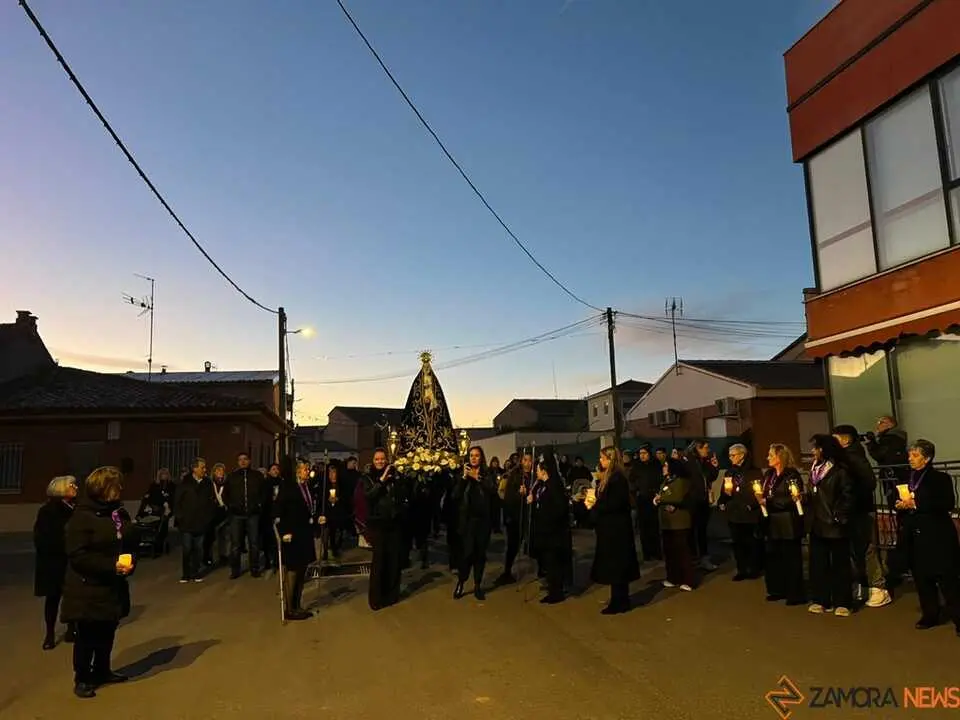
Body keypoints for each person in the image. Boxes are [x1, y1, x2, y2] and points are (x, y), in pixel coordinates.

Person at [61, 466, 137, 699]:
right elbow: (78, 555)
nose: (121, 489)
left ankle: (102, 670)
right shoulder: (82, 517)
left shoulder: (117, 512)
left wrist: (131, 560)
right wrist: (110, 565)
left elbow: (128, 539)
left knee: (107, 631)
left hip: (112, 585)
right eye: (117, 485)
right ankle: (83, 677)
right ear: (103, 488)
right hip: (88, 587)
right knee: (88, 636)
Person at [897, 439, 960, 635]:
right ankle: (930, 614)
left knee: (948, 579)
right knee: (922, 578)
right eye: (910, 455)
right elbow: (895, 498)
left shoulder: (940, 478)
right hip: (914, 534)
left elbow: (946, 502)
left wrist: (916, 504)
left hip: (937, 533)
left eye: (915, 456)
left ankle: (958, 616)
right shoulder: (907, 477)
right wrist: (899, 504)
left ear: (927, 458)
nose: (911, 459)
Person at [832, 424, 891, 608]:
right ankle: (862, 585)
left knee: (867, 547)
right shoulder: (845, 458)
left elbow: (868, 482)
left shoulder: (854, 457)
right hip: (853, 509)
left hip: (860, 509)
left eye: (836, 438)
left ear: (846, 439)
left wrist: (852, 497)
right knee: (856, 548)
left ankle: (878, 587)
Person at [584, 446, 640, 614]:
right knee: (615, 566)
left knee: (618, 566)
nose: (600, 461)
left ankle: (620, 601)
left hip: (617, 529)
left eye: (602, 458)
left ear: (610, 459)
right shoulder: (609, 478)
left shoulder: (617, 479)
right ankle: (619, 599)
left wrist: (596, 504)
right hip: (610, 527)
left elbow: (614, 503)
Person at [807, 434, 855, 617]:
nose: (813, 451)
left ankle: (843, 602)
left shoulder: (839, 470)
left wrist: (839, 516)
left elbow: (847, 495)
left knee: (840, 564)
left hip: (834, 523)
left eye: (816, 448)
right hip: (817, 522)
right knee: (818, 564)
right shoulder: (814, 469)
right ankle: (821, 599)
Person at [34, 475, 78, 650]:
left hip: (71, 559)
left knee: (72, 596)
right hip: (54, 560)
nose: (76, 487)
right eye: (71, 485)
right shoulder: (48, 511)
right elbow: (42, 537)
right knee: (53, 598)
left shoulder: (76, 507)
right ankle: (50, 634)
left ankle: (72, 628)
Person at [760, 443, 806, 606]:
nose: (768, 458)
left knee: (790, 557)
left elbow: (793, 499)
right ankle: (777, 589)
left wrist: (770, 501)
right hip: (772, 522)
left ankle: (795, 592)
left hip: (788, 522)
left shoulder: (791, 475)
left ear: (780, 457)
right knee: (773, 556)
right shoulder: (769, 475)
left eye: (771, 455)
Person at [363, 448, 407, 610]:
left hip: (393, 523)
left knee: (394, 560)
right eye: (377, 459)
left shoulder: (394, 476)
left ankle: (391, 595)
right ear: (373, 461)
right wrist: (381, 480)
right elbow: (369, 496)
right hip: (378, 524)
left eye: (382, 459)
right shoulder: (367, 478)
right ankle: (376, 599)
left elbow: (401, 494)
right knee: (379, 562)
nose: (380, 461)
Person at [274, 460, 318, 621]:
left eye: (308, 469)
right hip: (292, 534)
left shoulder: (308, 486)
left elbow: (309, 507)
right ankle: (290, 607)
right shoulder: (288, 488)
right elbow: (278, 510)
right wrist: (283, 531)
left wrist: (314, 518)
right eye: (305, 469)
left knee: (302, 570)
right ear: (297, 471)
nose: (308, 472)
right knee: (292, 570)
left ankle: (297, 604)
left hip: (304, 533)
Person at [453, 445, 495, 600]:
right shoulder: (462, 474)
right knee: (466, 554)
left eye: (477, 455)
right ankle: (461, 582)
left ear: (481, 457)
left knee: (480, 555)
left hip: (483, 521)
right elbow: (455, 495)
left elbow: (492, 489)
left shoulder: (487, 474)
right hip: (468, 521)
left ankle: (477, 585)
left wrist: (477, 477)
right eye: (471, 455)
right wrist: (464, 478)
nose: (474, 458)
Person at [528, 456, 571, 604]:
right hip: (544, 530)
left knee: (554, 562)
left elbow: (559, 508)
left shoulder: (554, 486)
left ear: (544, 471)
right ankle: (553, 588)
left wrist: (547, 516)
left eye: (538, 470)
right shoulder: (542, 485)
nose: (536, 472)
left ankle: (556, 592)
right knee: (548, 561)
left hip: (553, 531)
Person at [717, 444, 763, 581]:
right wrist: (722, 500)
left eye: (733, 455)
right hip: (734, 512)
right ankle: (741, 569)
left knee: (751, 542)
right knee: (738, 543)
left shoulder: (753, 471)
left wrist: (752, 505)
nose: (730, 458)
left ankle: (754, 568)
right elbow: (724, 491)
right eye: (729, 455)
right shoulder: (730, 472)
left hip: (749, 513)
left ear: (742, 455)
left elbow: (759, 492)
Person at [223, 453, 268, 579]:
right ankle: (235, 570)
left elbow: (264, 493)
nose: (242, 462)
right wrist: (231, 506)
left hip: (253, 515)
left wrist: (259, 505)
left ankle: (255, 568)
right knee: (236, 544)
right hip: (236, 515)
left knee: (254, 543)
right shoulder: (232, 477)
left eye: (245, 459)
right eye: (240, 460)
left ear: (249, 461)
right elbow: (225, 494)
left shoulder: (257, 476)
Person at [655, 458, 695, 591]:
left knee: (682, 552)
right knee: (670, 552)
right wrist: (658, 499)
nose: (663, 468)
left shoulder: (681, 482)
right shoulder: (666, 481)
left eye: (666, 465)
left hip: (679, 523)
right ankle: (673, 577)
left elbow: (677, 498)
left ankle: (688, 580)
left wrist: (662, 500)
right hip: (667, 523)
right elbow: (662, 495)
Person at [174, 457, 215, 583]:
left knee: (199, 548)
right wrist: (180, 517)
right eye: (202, 467)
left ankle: (196, 572)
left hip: (201, 522)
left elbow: (211, 501)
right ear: (195, 468)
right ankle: (186, 574)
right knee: (187, 548)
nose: (204, 470)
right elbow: (177, 501)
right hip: (187, 522)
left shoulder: (207, 483)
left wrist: (208, 518)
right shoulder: (185, 483)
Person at [633, 445, 664, 561]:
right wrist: (637, 489)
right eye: (640, 453)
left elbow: (659, 479)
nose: (642, 455)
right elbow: (632, 480)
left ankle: (656, 551)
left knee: (654, 526)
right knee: (643, 527)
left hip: (653, 498)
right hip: (641, 499)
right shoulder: (637, 466)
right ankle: (647, 553)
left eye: (644, 453)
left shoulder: (655, 465)